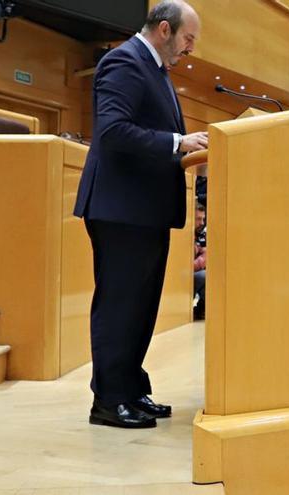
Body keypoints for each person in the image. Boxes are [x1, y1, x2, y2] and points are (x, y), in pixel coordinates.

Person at [73, 0, 207, 429]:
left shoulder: (156, 71)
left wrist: (180, 143)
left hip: (143, 209)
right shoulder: (124, 61)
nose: (190, 49)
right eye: (188, 39)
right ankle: (109, 401)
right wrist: (178, 143)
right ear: (165, 29)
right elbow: (112, 131)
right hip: (121, 208)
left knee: (141, 306)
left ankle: (131, 389)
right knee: (119, 305)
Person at [192, 203, 207, 320]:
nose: (202, 223)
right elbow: (184, 266)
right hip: (183, 276)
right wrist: (202, 260)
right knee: (205, 276)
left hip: (194, 272)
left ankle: (201, 310)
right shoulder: (185, 235)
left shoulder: (201, 234)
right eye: (198, 219)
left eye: (203, 219)